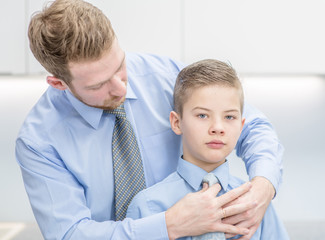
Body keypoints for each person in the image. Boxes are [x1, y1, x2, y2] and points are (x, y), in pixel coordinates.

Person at [16, 0, 283, 239]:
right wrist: (169, 225)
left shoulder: (164, 76)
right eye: (99, 85)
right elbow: (71, 234)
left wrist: (263, 186)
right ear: (59, 83)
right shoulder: (39, 142)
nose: (121, 88)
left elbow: (253, 125)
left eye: (120, 66)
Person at [126, 59, 289, 240]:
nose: (217, 127)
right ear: (177, 122)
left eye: (229, 116)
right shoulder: (148, 206)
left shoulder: (255, 204)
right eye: (202, 115)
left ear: (242, 126)